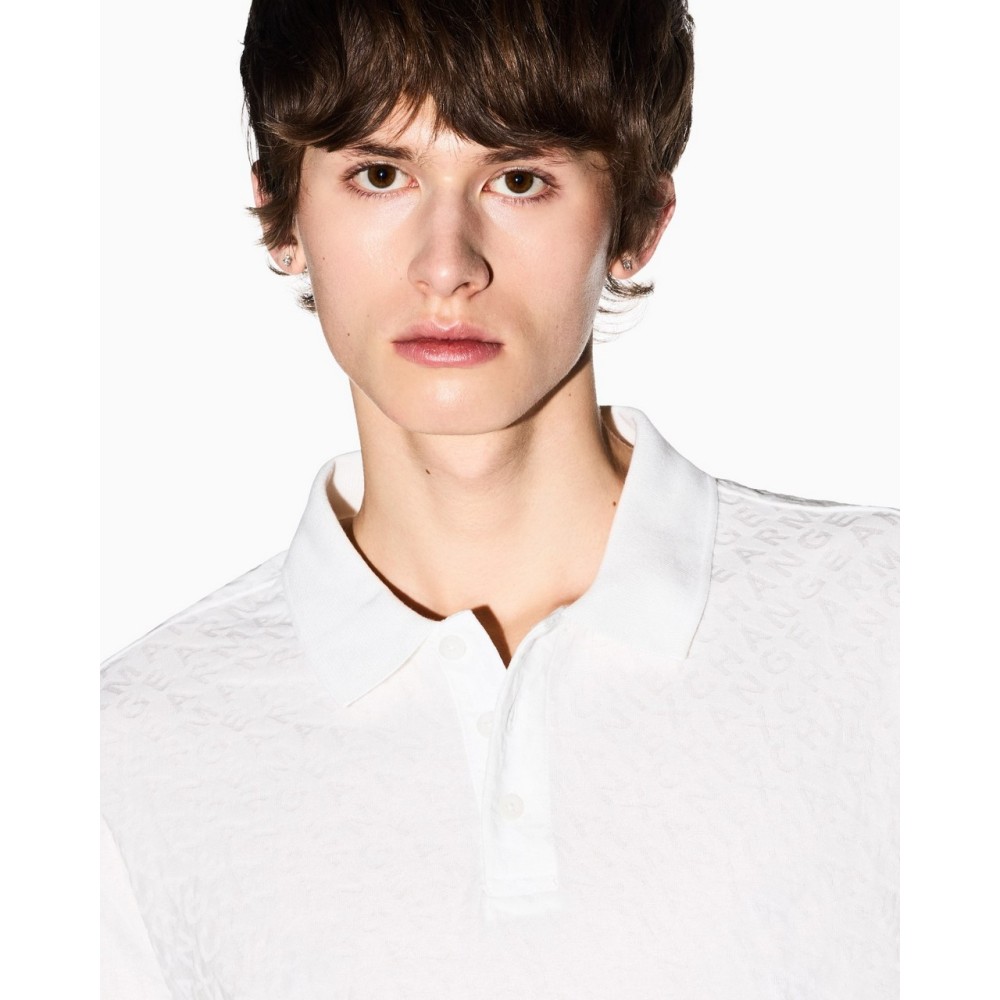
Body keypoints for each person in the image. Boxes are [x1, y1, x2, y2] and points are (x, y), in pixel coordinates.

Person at [101, 1, 899, 997]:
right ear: (281, 210)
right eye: (380, 174)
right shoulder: (126, 749)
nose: (447, 265)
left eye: (519, 179)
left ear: (639, 220)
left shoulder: (899, 631)